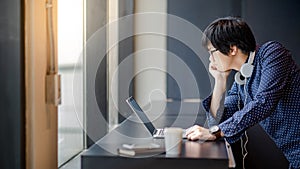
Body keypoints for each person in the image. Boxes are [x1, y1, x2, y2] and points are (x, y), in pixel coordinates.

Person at [185, 16, 300, 169]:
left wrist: (215, 132)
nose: (210, 59)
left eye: (211, 52)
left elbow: (264, 102)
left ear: (232, 49)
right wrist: (220, 81)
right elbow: (217, 122)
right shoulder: (241, 81)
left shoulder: (272, 54)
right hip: (294, 156)